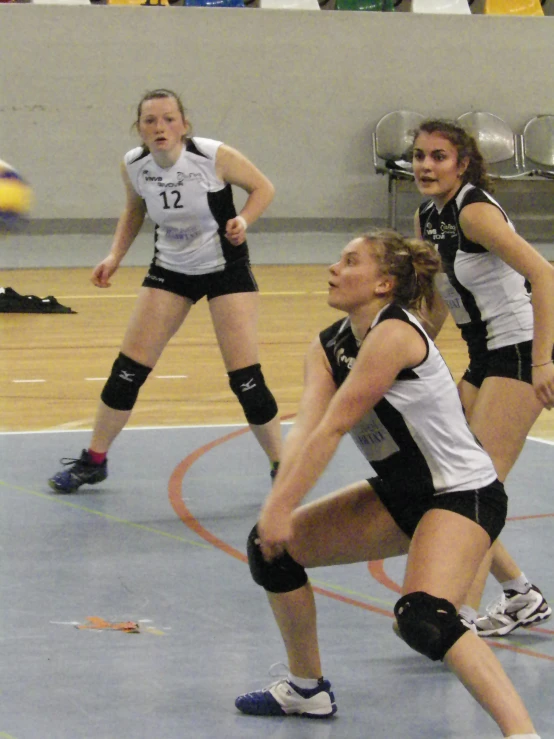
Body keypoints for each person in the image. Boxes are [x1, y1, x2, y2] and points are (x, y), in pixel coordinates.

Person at [234, 230, 541, 738]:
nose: (335, 267)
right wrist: (277, 505)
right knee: (272, 552)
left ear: (383, 283)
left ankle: (522, 733)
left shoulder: (397, 333)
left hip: (463, 494)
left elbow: (335, 425)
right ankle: (306, 689)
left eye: (350, 261)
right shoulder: (328, 344)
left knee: (424, 616)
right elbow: (308, 426)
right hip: (403, 494)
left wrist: (281, 506)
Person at [48, 88, 282, 493]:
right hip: (170, 270)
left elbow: (264, 188)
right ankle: (94, 461)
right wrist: (114, 255)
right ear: (139, 128)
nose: (160, 127)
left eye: (169, 119)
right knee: (127, 370)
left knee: (245, 377)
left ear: (184, 124)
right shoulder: (134, 165)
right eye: (151, 120)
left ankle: (283, 465)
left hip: (225, 269)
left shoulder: (212, 155)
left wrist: (243, 220)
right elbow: (135, 209)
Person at [411, 119, 554, 638]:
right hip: (483, 355)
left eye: (439, 156)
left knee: (473, 489)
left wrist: (543, 363)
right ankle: (520, 595)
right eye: (420, 155)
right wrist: (410, 351)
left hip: (518, 351)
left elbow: (544, 275)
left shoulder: (474, 211)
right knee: (447, 481)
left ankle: (463, 617)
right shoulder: (429, 215)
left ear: (462, 163)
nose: (426, 165)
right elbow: (440, 298)